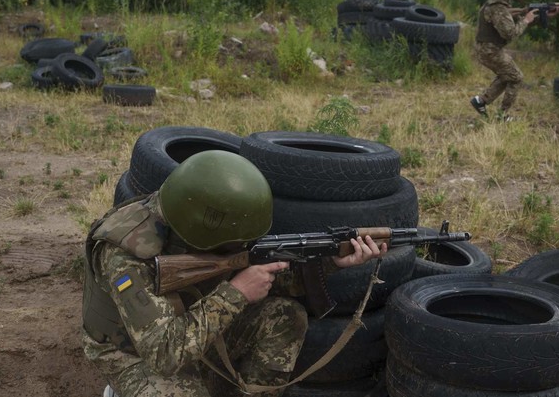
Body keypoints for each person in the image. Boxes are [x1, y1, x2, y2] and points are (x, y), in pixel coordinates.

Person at [81, 150, 386, 397]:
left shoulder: (197, 227)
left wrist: (333, 261)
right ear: (208, 230)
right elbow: (163, 353)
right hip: (132, 352)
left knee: (284, 316)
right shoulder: (125, 254)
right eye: (237, 243)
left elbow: (266, 277)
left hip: (193, 322)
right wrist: (236, 293)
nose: (243, 247)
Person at [470, 0, 559, 121]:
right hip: (489, 50)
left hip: (489, 49)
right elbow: (509, 33)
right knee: (516, 77)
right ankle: (502, 115)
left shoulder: (501, 3)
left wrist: (537, 16)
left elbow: (510, 18)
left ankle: (481, 101)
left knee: (508, 75)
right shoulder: (498, 6)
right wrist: (526, 19)